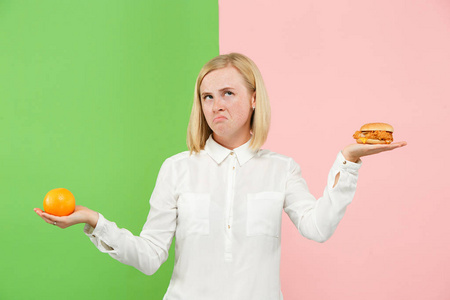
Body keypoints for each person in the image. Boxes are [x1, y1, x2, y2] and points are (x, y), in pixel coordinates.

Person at [35, 53, 407, 300]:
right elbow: (150, 257)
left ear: (254, 98)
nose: (216, 106)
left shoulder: (281, 169)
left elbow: (318, 227)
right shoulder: (177, 168)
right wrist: (93, 221)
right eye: (207, 97)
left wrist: (349, 160)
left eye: (228, 93)